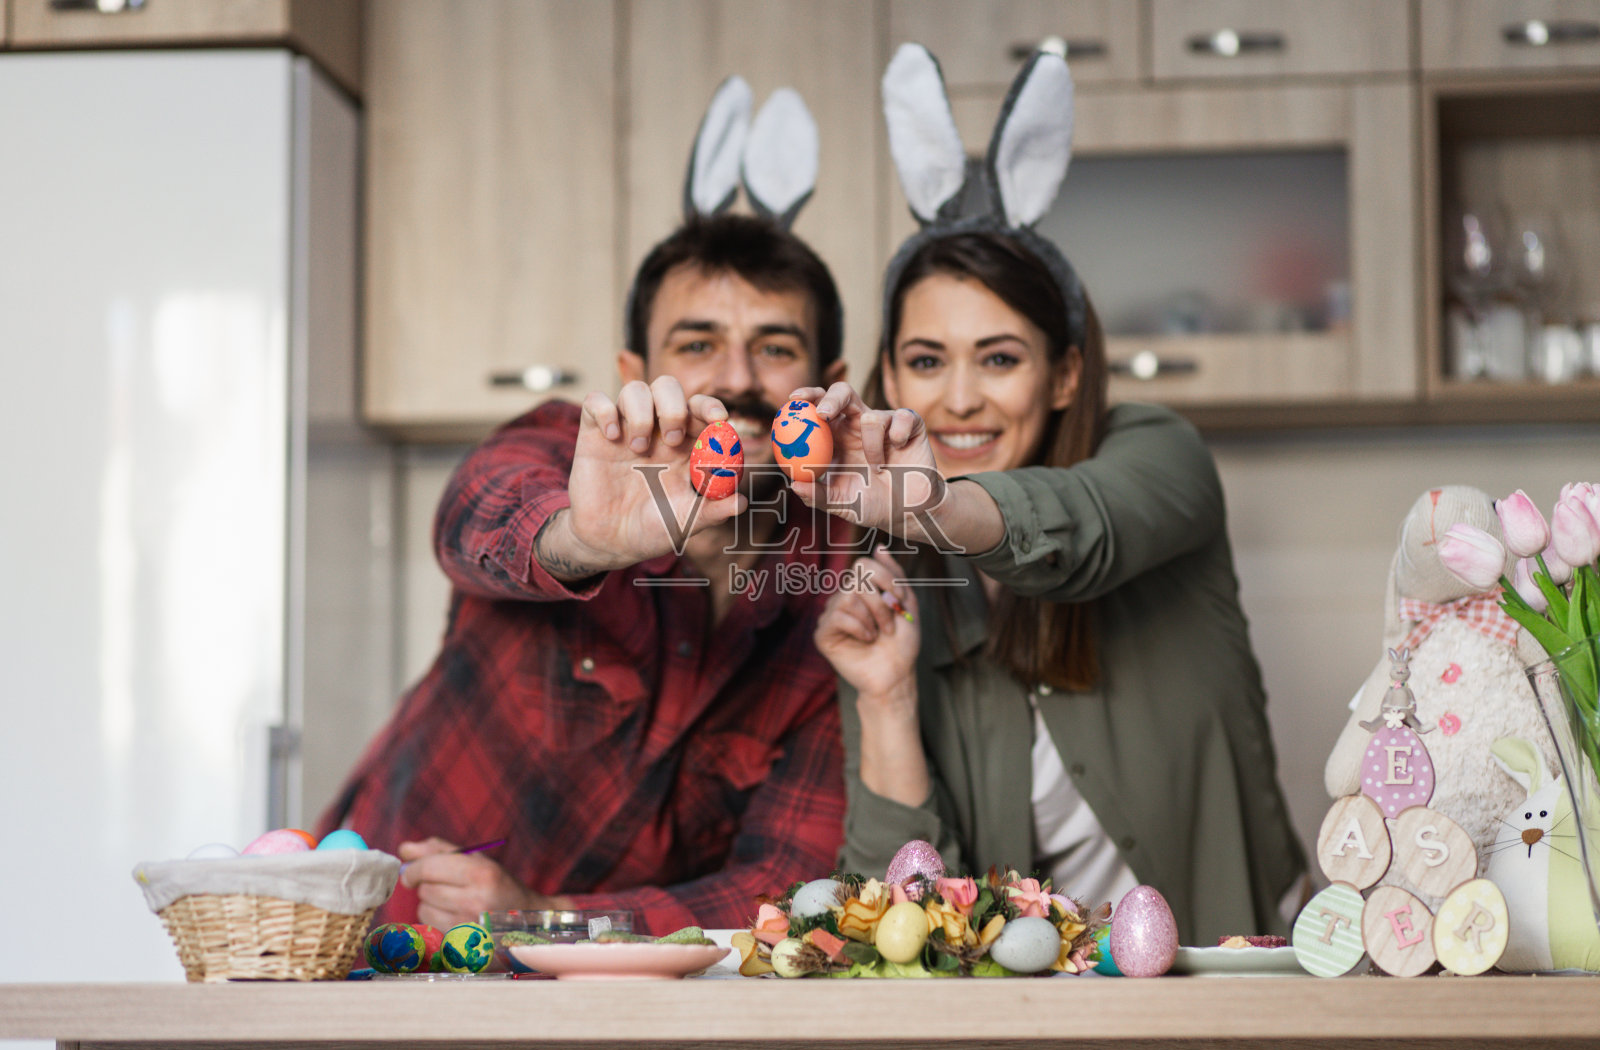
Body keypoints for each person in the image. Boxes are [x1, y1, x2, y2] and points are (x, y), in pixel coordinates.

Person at [792, 45, 1306, 943]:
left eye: (1000, 358)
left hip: (1243, 993)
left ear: (1065, 374)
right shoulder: (892, 591)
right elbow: (897, 926)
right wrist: (884, 699)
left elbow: (1083, 532)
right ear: (886, 374)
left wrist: (933, 505)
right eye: (925, 361)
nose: (957, 398)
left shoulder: (1159, 454)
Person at [319, 81, 855, 933]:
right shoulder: (565, 448)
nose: (740, 379)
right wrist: (583, 540)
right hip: (379, 952)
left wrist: (547, 915)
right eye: (698, 343)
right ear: (636, 369)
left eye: (777, 347)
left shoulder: (835, 589)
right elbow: (470, 520)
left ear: (826, 383)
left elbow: (785, 879)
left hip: (611, 997)